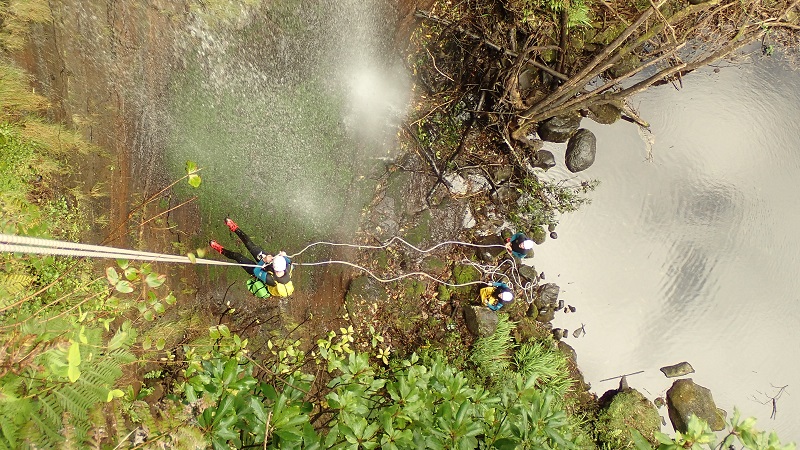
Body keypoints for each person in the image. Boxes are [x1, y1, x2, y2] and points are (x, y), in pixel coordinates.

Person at [209, 218, 294, 298]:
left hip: (258, 270)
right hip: (268, 262)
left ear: (275, 268)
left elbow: (256, 271)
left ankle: (220, 249)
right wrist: (283, 255)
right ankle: (235, 228)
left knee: (238, 256)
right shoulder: (288, 267)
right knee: (250, 245)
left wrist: (264, 260)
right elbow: (288, 261)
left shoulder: (270, 279)